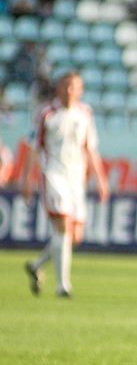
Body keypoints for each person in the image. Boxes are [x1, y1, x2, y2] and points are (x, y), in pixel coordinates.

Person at [21, 72, 110, 298]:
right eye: (65, 86)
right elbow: (33, 147)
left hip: (76, 179)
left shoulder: (85, 113)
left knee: (75, 236)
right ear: (58, 88)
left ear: (81, 90)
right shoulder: (47, 114)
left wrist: (101, 179)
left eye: (74, 87)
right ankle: (63, 286)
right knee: (62, 227)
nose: (69, 91)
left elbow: (91, 148)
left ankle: (36, 265)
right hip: (53, 174)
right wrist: (27, 179)